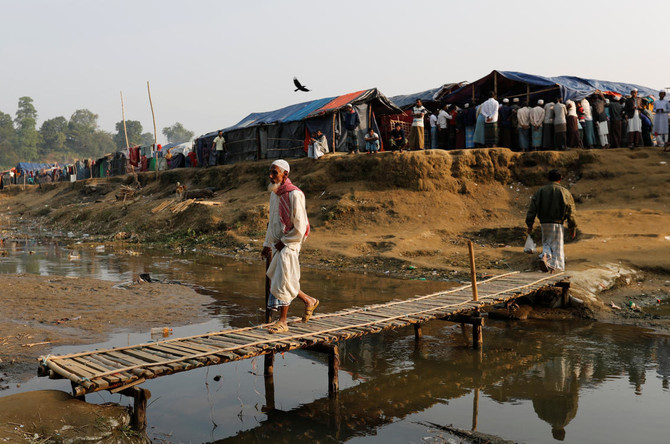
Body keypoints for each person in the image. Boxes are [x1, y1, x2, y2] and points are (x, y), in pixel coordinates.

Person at [262, 159, 319, 333]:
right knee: (281, 278)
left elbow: (301, 226)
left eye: (275, 173)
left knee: (282, 279)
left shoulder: (295, 194)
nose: (271, 177)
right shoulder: (274, 194)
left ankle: (283, 321)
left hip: (291, 242)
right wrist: (267, 244)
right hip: (278, 243)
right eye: (270, 173)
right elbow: (272, 223)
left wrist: (284, 241)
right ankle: (309, 300)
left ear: (285, 174)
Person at [525, 169, 577, 272]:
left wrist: (530, 224)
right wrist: (572, 227)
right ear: (560, 179)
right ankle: (554, 266)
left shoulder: (540, 191)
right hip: (558, 223)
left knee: (547, 243)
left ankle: (546, 259)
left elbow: (532, 209)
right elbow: (570, 212)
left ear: (548, 179)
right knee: (557, 248)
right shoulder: (565, 192)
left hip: (544, 223)